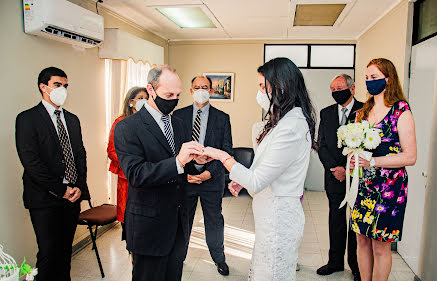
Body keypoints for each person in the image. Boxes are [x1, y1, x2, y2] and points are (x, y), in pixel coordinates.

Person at [202, 57, 317, 281]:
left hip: (279, 216)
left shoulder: (291, 126)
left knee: (272, 273)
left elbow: (257, 181)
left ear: (282, 86)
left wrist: (221, 155)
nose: (260, 92)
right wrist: (242, 178)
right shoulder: (282, 121)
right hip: (268, 213)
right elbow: (266, 167)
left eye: (263, 86)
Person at [114, 65, 204, 281]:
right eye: (168, 95)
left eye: (178, 95)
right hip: (149, 226)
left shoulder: (180, 124)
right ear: (151, 89)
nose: (174, 100)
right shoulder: (128, 127)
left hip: (178, 225)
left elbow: (184, 168)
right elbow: (136, 174)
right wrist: (179, 161)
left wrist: (198, 162)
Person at [15, 67, 90, 281]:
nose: (63, 90)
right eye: (57, 85)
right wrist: (61, 190)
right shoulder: (27, 119)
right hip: (44, 198)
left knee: (66, 251)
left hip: (71, 197)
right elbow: (31, 162)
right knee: (48, 253)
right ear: (43, 87)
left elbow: (80, 156)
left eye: (65, 86)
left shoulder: (72, 119)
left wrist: (78, 187)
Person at [350, 58, 416, 281]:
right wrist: (354, 158)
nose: (369, 82)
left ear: (388, 79)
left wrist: (374, 162)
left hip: (389, 188)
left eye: (374, 77)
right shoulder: (362, 112)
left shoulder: (401, 111)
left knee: (380, 244)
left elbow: (410, 156)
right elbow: (357, 146)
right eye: (367, 78)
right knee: (361, 239)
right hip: (364, 185)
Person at [173, 76, 232, 276]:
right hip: (186, 180)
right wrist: (187, 174)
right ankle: (178, 258)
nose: (200, 90)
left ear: (211, 90)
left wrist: (208, 173)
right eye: (197, 87)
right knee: (183, 221)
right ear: (190, 90)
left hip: (212, 181)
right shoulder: (178, 116)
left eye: (204, 87)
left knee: (214, 221)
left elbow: (226, 150)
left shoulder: (222, 117)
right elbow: (174, 150)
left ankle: (219, 259)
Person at [317, 74, 363, 280]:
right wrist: (335, 168)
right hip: (334, 176)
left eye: (340, 88)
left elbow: (365, 145)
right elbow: (321, 144)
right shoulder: (326, 113)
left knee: (355, 221)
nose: (336, 92)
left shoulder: (365, 110)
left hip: (358, 176)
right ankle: (335, 262)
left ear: (352, 89)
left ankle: (356, 265)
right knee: (335, 219)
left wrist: (348, 169)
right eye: (333, 89)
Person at [107, 86, 148, 241]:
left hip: (148, 176)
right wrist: (134, 163)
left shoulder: (148, 122)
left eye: (146, 98)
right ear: (131, 102)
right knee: (131, 225)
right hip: (128, 177)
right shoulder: (120, 122)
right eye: (140, 98)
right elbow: (112, 151)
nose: (144, 101)